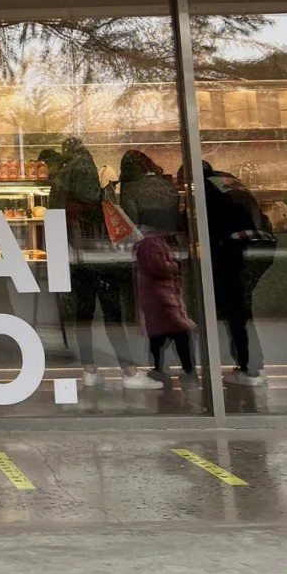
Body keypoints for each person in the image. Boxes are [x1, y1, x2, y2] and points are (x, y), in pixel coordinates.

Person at [49, 140, 163, 390]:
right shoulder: (95, 193)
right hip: (101, 258)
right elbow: (110, 221)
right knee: (113, 315)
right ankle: (129, 372)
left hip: (77, 257)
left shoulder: (61, 186)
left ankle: (89, 370)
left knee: (84, 316)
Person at [121, 151, 198, 385]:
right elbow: (178, 215)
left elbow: (129, 221)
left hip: (147, 249)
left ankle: (158, 368)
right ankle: (188, 368)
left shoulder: (131, 188)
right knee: (175, 310)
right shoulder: (166, 184)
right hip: (172, 248)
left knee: (155, 316)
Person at [202, 161, 276, 386]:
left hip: (237, 247)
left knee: (237, 309)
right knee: (243, 307)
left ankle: (250, 368)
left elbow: (207, 223)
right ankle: (252, 364)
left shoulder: (206, 188)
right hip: (263, 243)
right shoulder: (228, 180)